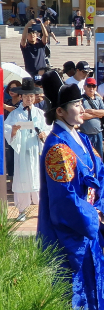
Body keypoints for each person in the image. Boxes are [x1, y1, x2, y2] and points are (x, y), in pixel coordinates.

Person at [37, 71, 104, 310]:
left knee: (95, 289)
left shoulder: (80, 138)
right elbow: (63, 199)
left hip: (88, 226)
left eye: (81, 103)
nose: (82, 108)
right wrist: (92, 216)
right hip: (70, 234)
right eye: (75, 104)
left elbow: (101, 174)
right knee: (74, 296)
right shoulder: (58, 149)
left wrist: (101, 209)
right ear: (60, 112)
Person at [4, 78, 50, 221]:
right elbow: (6, 128)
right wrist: (14, 131)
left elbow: (48, 128)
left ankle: (42, 208)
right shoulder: (15, 114)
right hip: (22, 149)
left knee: (38, 177)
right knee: (22, 177)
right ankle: (22, 210)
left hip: (36, 148)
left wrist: (44, 134)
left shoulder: (40, 113)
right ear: (21, 97)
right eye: (26, 96)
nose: (29, 99)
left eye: (31, 96)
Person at [79, 77, 104, 157]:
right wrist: (98, 114)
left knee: (99, 157)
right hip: (86, 134)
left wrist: (92, 111)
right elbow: (82, 116)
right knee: (88, 156)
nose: (91, 88)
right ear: (84, 87)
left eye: (93, 86)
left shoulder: (98, 99)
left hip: (98, 133)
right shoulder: (81, 99)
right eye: (89, 86)